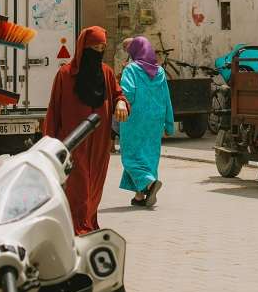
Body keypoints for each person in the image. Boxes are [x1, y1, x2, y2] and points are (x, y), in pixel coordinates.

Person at [44, 26, 129, 235]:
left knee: (94, 186)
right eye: (94, 47)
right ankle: (77, 226)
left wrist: (121, 103)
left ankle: (88, 222)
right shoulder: (65, 75)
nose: (98, 51)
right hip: (73, 141)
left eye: (102, 47)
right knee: (78, 184)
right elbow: (54, 109)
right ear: (84, 48)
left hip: (99, 141)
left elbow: (119, 94)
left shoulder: (106, 73)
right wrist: (49, 142)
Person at [118, 36, 175, 209]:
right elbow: (167, 99)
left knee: (131, 157)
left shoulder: (131, 69)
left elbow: (128, 94)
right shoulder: (160, 72)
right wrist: (169, 124)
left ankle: (150, 184)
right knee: (149, 156)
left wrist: (118, 102)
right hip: (155, 121)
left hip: (134, 119)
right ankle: (139, 196)